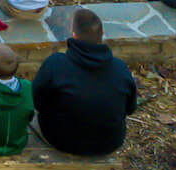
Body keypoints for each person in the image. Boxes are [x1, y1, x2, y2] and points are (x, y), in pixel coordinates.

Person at [32, 9, 137, 156]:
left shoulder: (55, 64)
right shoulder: (120, 68)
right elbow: (130, 108)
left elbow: (36, 102)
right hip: (108, 143)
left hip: (61, 140)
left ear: (73, 35)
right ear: (103, 33)